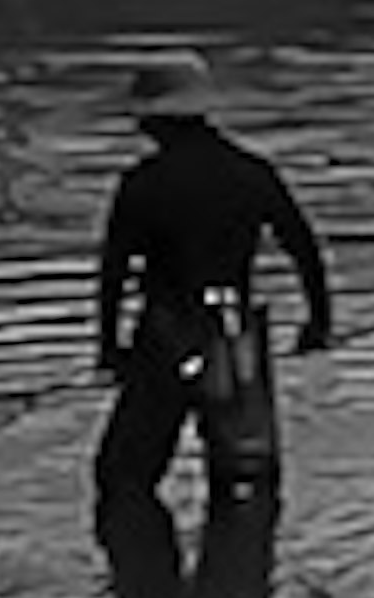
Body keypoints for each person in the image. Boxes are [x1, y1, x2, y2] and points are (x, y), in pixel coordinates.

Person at [93, 55, 333, 520]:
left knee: (123, 480)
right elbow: (305, 250)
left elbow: (114, 274)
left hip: (167, 336)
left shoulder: (142, 184)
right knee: (245, 482)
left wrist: (109, 347)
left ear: (152, 118)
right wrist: (317, 323)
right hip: (236, 339)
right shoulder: (253, 173)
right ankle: (243, 579)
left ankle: (140, 576)